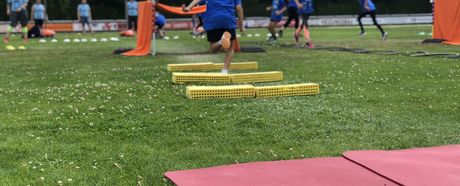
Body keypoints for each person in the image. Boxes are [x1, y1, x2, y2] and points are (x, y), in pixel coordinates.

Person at [184, 0, 245, 74]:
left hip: (213, 20)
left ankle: (220, 42)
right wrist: (241, 26)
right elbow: (239, 8)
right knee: (230, 48)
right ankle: (224, 70)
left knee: (213, 49)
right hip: (228, 19)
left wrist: (189, 7)